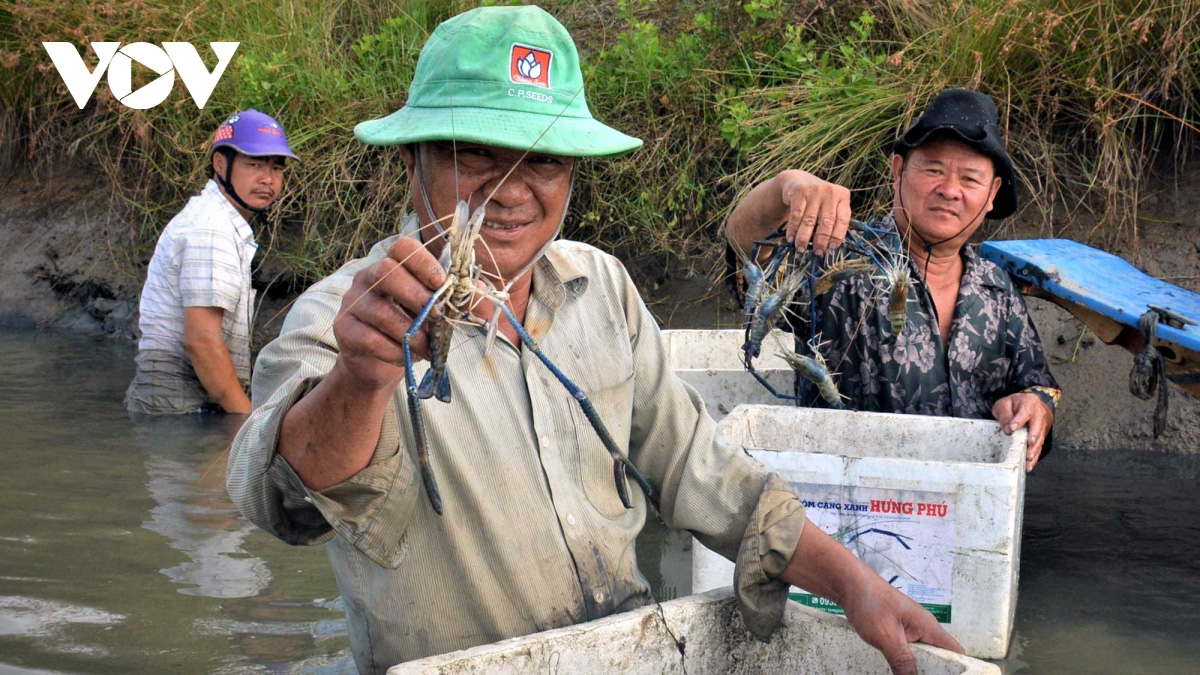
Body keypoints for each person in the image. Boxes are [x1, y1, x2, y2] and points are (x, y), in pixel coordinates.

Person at [226, 7, 959, 674]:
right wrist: (361, 375)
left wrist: (859, 585)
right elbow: (282, 500)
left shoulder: (602, 287)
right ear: (410, 160)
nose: (511, 190)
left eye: (541, 159)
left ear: (573, 171)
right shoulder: (340, 317)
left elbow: (698, 470)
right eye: (473, 153)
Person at [726, 88, 1061, 472]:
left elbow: (1039, 384)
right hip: (846, 506)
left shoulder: (997, 288)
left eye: (970, 179)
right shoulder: (836, 257)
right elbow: (745, 253)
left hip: (967, 509)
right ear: (898, 170)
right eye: (934, 169)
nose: (950, 190)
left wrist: (1036, 406)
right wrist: (786, 186)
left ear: (991, 195)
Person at [125, 110, 298, 415]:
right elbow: (201, 341)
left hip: (185, 401)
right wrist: (247, 421)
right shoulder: (211, 228)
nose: (268, 179)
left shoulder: (218, 221)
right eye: (254, 164)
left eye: (276, 168)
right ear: (221, 164)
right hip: (177, 403)